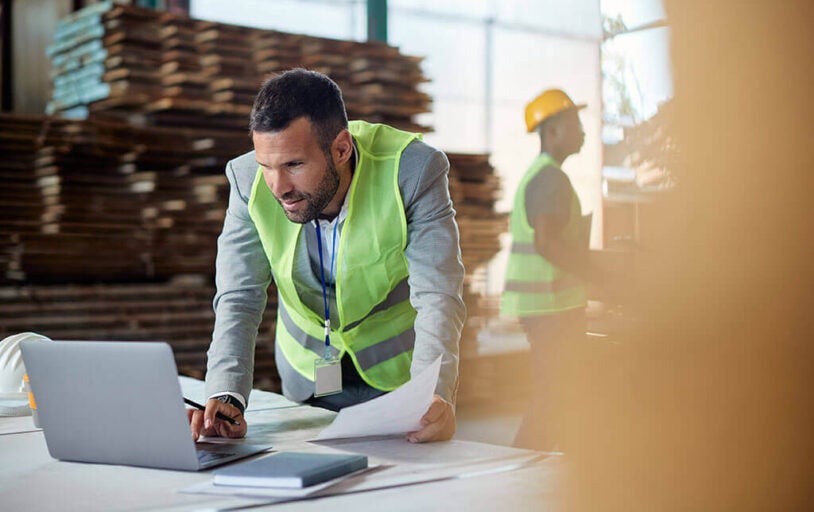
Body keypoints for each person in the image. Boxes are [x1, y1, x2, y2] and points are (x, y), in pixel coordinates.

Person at [187, 68, 466, 444]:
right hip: (306, 375)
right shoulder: (245, 180)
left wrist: (432, 393)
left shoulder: (413, 171)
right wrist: (225, 392)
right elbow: (240, 295)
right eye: (266, 166)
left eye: (294, 165)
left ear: (340, 149)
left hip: (399, 378)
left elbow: (438, 295)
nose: (278, 187)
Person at [501, 88, 592, 451]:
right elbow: (547, 243)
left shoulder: (542, 175)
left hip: (549, 308)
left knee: (560, 396)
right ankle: (519, 470)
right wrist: (600, 273)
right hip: (552, 309)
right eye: (576, 124)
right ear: (552, 132)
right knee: (554, 397)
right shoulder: (550, 179)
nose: (583, 132)